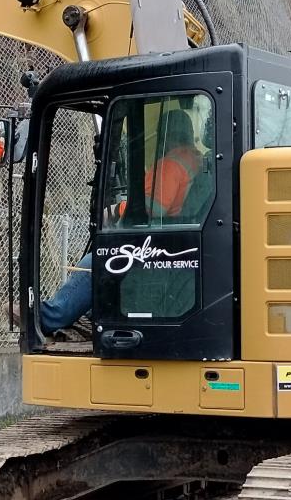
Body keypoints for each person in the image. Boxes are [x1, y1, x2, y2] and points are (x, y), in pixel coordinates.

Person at [39, 110, 203, 339]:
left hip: (156, 242)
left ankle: (48, 317)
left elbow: (153, 208)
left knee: (96, 261)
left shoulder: (171, 164)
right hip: (175, 239)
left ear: (164, 133)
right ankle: (88, 313)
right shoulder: (195, 160)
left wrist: (117, 209)